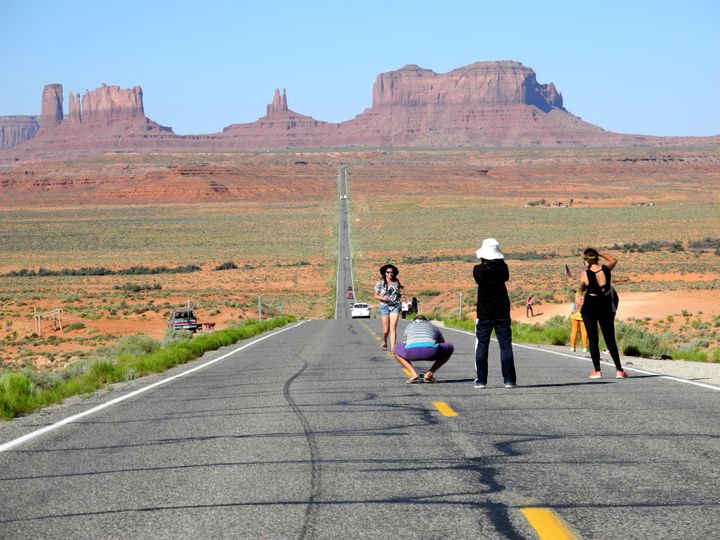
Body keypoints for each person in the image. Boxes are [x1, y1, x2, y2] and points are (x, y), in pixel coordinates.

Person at [473, 238, 517, 389]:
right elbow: (504, 276)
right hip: (502, 311)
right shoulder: (503, 269)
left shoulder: (478, 270)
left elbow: (480, 279)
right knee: (505, 346)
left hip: (484, 312)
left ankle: (481, 380)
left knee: (482, 346)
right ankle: (509, 379)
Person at [578, 248, 628, 379]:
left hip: (590, 306)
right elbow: (613, 260)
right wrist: (599, 253)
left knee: (593, 339)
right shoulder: (606, 269)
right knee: (610, 338)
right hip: (604, 305)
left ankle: (597, 371)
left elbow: (581, 288)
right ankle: (619, 370)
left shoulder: (585, 273)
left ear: (586, 260)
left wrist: (586, 269)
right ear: (596, 257)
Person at [393, 315, 454, 383]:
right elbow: (442, 342)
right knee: (450, 347)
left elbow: (405, 343)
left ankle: (413, 374)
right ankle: (430, 373)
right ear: (426, 321)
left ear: (414, 321)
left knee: (395, 349)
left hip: (411, 352)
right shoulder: (433, 326)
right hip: (431, 352)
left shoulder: (409, 326)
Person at [374, 263, 403, 351]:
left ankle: (393, 349)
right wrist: (383, 297)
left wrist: (402, 297)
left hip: (395, 306)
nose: (390, 274)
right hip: (384, 306)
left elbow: (397, 293)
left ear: (394, 273)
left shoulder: (396, 283)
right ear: (384, 273)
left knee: (393, 327)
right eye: (388, 272)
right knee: (386, 330)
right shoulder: (380, 283)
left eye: (391, 272)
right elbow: (375, 295)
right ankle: (384, 340)